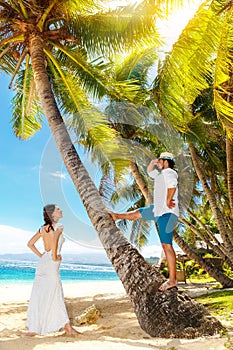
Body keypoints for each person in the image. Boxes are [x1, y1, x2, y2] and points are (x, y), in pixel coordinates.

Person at [109, 152, 179, 292]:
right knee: (137, 213)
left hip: (167, 213)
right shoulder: (161, 175)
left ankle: (172, 280)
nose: (158, 162)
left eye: (160, 160)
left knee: (167, 246)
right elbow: (149, 172)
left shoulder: (170, 172)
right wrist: (153, 163)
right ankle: (116, 216)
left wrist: (168, 199)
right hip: (158, 211)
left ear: (166, 162)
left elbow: (173, 185)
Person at [26, 204, 79, 336]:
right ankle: (67, 328)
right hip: (51, 262)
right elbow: (55, 239)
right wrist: (54, 256)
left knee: (39, 294)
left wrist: (43, 256)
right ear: (52, 214)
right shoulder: (59, 227)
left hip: (43, 261)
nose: (61, 210)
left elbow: (30, 244)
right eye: (58, 209)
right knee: (56, 293)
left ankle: (34, 328)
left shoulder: (42, 229)